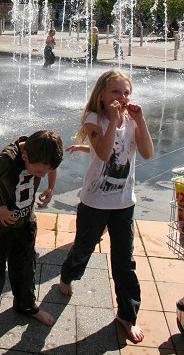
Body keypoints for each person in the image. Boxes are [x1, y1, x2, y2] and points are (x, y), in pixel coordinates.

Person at [59, 69, 153, 344]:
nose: (122, 97)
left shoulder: (133, 121)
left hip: (124, 203)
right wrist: (113, 121)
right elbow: (103, 153)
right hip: (94, 203)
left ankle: (127, 314)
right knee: (83, 249)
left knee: (125, 260)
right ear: (102, 95)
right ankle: (67, 275)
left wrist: (141, 120)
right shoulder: (94, 119)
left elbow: (147, 153)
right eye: (115, 92)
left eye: (126, 93)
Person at [0, 129, 64, 344]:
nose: (41, 174)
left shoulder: (44, 152)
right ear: (25, 157)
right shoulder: (8, 159)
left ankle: (26, 306)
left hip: (26, 223)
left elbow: (51, 167)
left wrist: (51, 187)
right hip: (0, 227)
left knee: (25, 267)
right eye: (39, 171)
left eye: (45, 171)